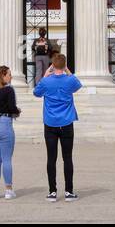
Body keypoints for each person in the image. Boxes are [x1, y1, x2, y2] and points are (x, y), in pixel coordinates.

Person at [32, 52, 83, 201]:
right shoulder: (69, 80)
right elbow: (78, 84)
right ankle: (69, 191)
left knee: (51, 158)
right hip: (66, 122)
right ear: (65, 65)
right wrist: (67, 70)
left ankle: (52, 192)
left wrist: (46, 75)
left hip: (50, 123)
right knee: (67, 158)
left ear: (52, 65)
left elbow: (36, 92)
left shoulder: (46, 82)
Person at [0, 65, 21, 199]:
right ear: (3, 76)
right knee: (7, 159)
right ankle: (8, 190)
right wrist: (18, 111)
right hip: (4, 124)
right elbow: (11, 107)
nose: (11, 77)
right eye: (9, 74)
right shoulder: (9, 90)